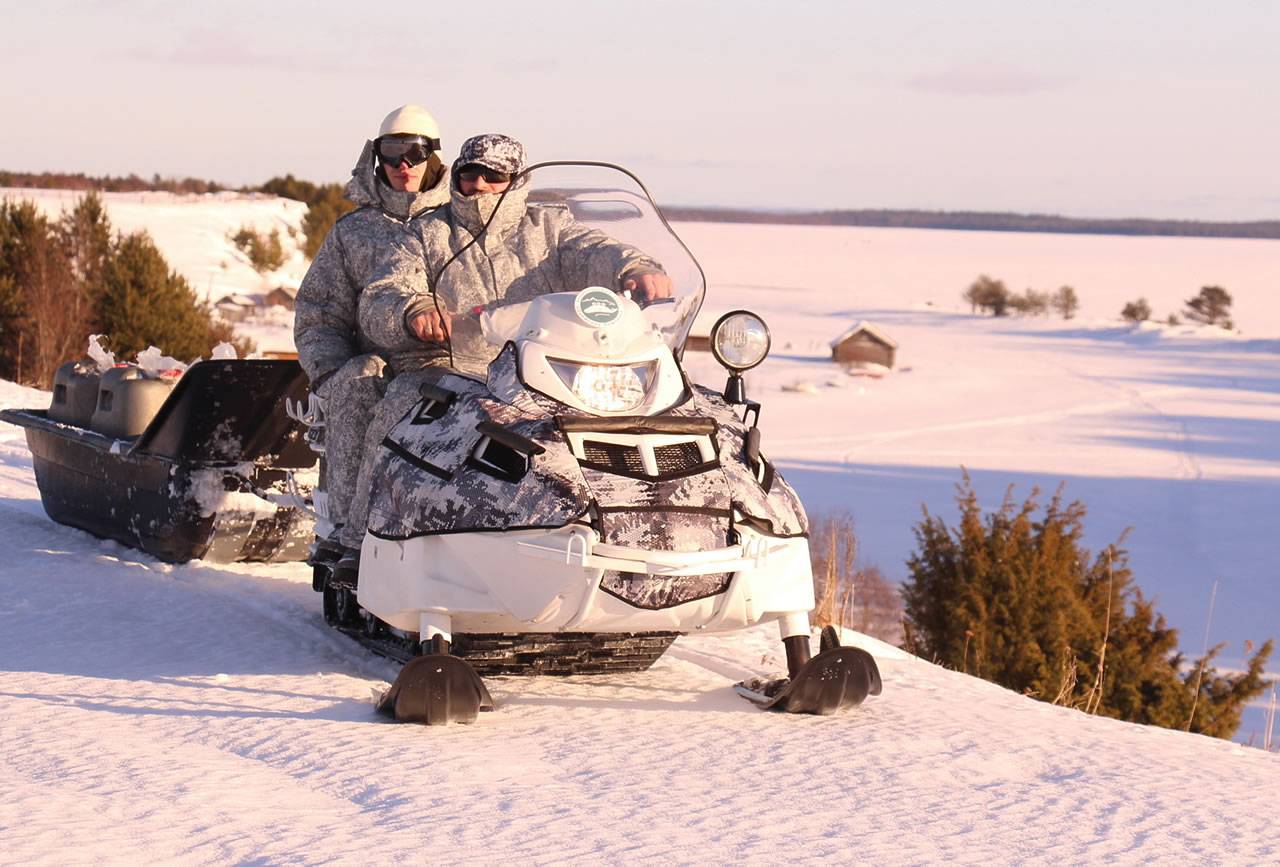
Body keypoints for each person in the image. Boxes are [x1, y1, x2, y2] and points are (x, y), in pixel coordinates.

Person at [330, 133, 672, 580]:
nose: (478, 185)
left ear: (514, 180)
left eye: (492, 175)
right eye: (469, 174)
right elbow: (385, 289)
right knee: (401, 406)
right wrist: (412, 310)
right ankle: (361, 539)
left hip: (540, 369)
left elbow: (592, 249)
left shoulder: (547, 228)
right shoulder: (428, 233)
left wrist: (632, 267)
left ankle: (637, 529)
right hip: (451, 364)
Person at [293, 104, 450, 562]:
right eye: (392, 152)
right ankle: (348, 531)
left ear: (434, 158)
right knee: (360, 384)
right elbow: (320, 311)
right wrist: (330, 372)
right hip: (380, 363)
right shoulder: (354, 231)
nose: (403, 165)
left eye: (415, 153)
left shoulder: (458, 224)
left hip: (457, 359)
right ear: (376, 156)